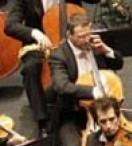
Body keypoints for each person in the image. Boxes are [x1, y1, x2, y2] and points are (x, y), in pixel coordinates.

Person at [47, 13, 123, 146]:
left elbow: (118, 63)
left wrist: (105, 49)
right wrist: (91, 91)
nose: (85, 40)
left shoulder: (94, 46)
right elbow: (61, 86)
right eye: (81, 36)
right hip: (73, 113)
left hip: (103, 111)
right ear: (69, 35)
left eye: (87, 34)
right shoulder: (59, 55)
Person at [3, 0, 98, 130]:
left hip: (73, 40)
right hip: (40, 43)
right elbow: (10, 26)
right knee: (31, 66)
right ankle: (42, 118)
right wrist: (34, 33)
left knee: (94, 54)